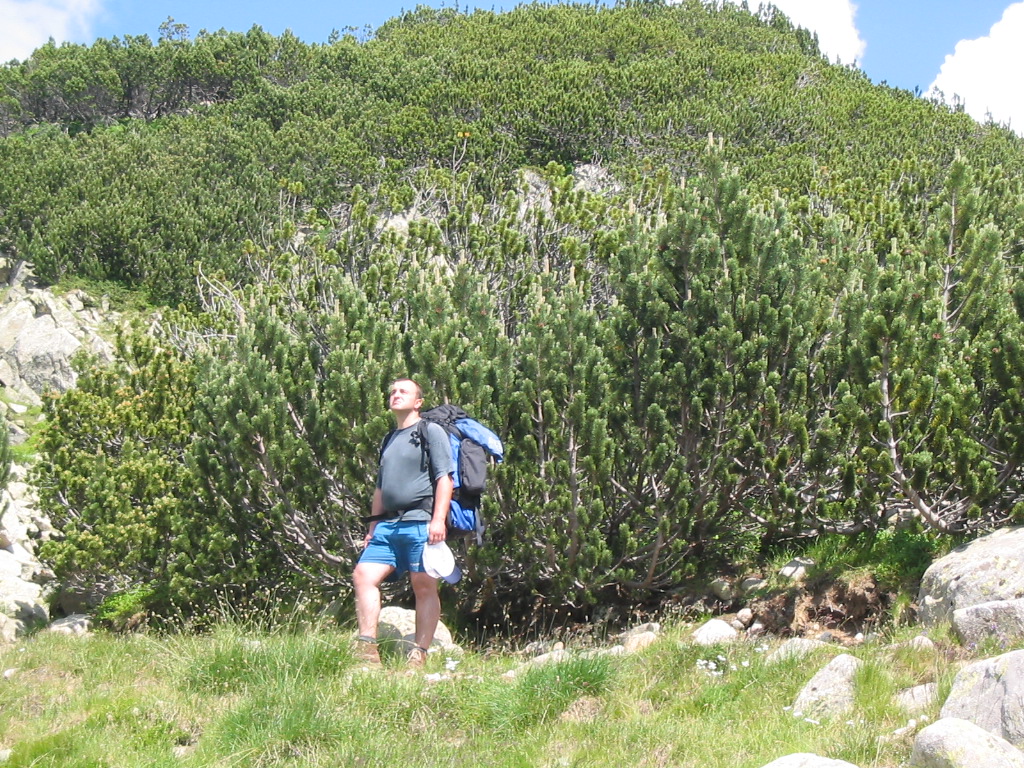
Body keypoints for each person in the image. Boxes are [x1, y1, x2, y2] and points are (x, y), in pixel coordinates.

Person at [351, 378, 454, 668]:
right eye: (393, 391)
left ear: (418, 402)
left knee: (423, 586)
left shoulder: (430, 431)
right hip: (387, 525)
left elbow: (444, 478)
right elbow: (380, 488)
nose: (396, 395)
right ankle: (367, 647)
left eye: (403, 392)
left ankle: (419, 654)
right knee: (363, 575)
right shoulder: (389, 438)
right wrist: (372, 527)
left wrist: (438, 520)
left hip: (420, 522)